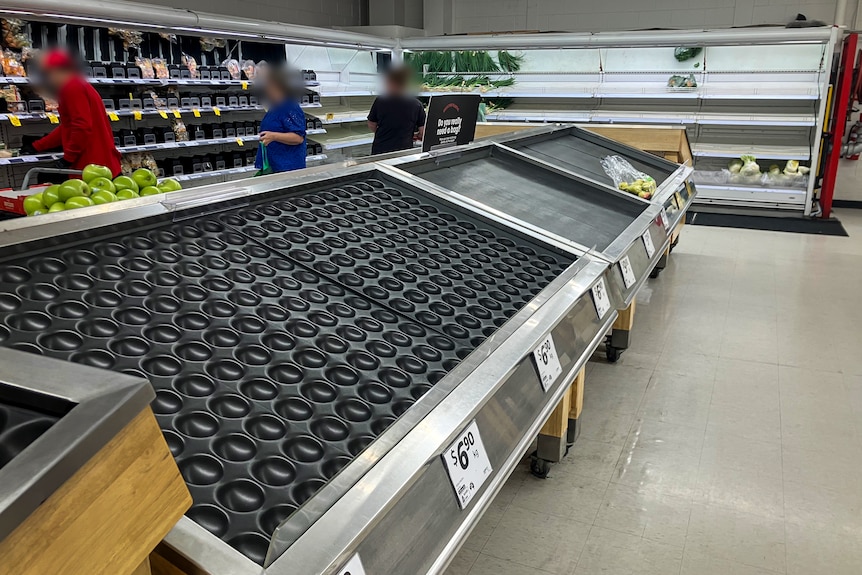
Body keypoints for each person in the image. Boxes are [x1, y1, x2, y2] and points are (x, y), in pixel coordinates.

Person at [24, 50, 121, 176]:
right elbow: (68, 127)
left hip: (92, 166)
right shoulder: (76, 85)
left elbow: (82, 126)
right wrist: (37, 146)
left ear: (57, 71)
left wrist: (68, 158)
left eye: (47, 74)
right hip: (100, 163)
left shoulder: (72, 88)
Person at [255, 66, 306, 174]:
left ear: (277, 85)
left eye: (268, 85)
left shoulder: (290, 107)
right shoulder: (274, 107)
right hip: (274, 165)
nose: (266, 89)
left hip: (288, 168)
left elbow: (298, 138)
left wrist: (273, 136)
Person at [367, 67, 426, 155]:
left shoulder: (380, 101)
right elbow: (423, 131)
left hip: (381, 150)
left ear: (392, 83)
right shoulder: (416, 104)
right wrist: (411, 134)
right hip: (405, 150)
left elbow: (371, 124)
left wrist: (386, 133)